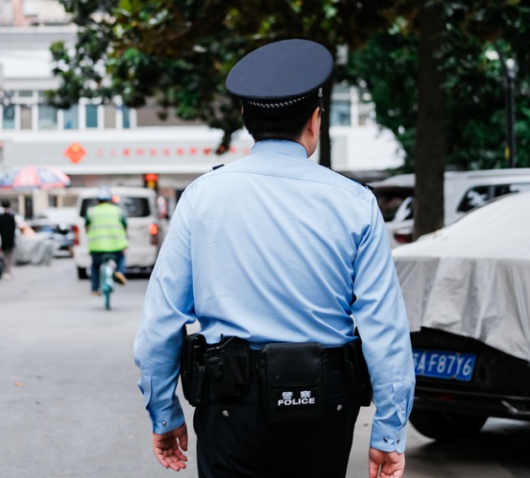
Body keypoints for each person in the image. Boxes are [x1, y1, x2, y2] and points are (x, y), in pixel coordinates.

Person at [133, 39, 414, 478]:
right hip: (326, 405)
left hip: (231, 404)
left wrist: (164, 413)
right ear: (315, 120)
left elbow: (160, 323)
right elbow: (385, 327)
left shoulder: (201, 198)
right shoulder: (355, 203)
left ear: (246, 116)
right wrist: (389, 432)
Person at [86, 186, 128, 296]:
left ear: (97, 199)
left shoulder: (91, 211)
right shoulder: (118, 211)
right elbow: (125, 227)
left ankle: (95, 289)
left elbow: (87, 227)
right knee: (121, 257)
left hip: (97, 247)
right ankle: (119, 272)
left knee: (95, 266)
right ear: (110, 199)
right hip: (116, 246)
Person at [0, 199, 17, 279]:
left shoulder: (0, 217)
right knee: (8, 257)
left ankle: (5, 271)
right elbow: (14, 229)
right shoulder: (11, 217)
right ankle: (8, 271)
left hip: (2, 241)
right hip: (9, 240)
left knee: (3, 256)